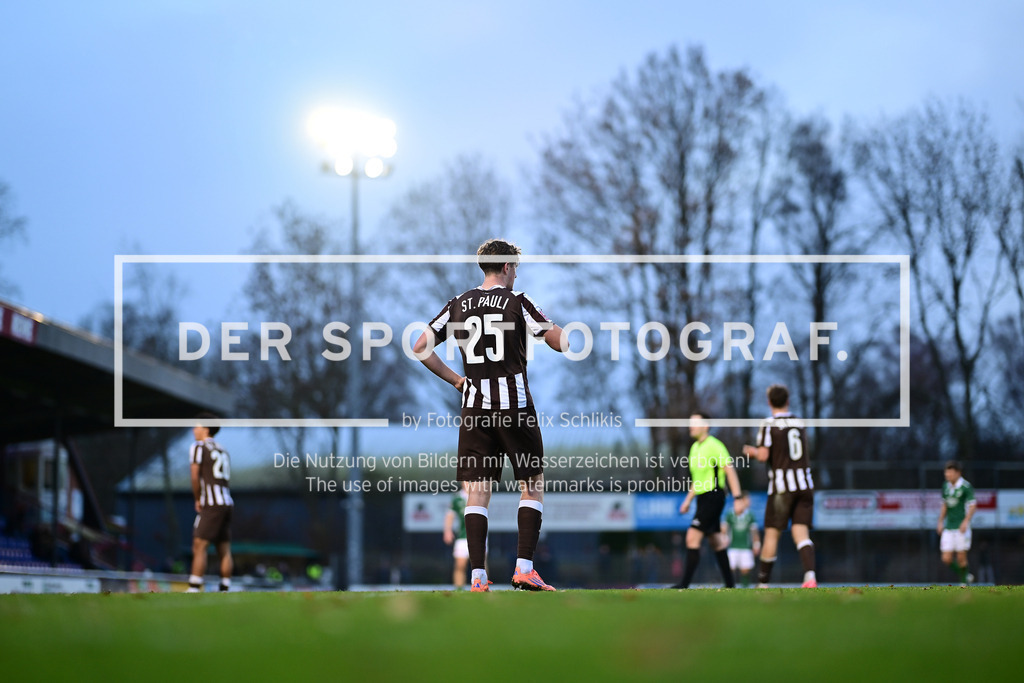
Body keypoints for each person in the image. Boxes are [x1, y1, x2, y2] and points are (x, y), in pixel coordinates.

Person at [413, 238, 566, 592]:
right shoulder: (517, 301)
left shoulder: (458, 303)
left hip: (474, 407)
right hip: (514, 406)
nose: (516, 276)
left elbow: (420, 346)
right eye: (516, 269)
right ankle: (524, 568)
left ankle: (478, 577)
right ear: (508, 267)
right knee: (532, 484)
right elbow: (558, 341)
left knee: (477, 491)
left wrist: (457, 381)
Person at [742, 384, 817, 588]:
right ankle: (810, 576)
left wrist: (751, 452)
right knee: (801, 534)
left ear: (769, 402)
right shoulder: (799, 423)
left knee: (772, 534)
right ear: (788, 401)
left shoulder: (769, 424)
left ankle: (763, 582)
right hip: (805, 485)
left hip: (781, 488)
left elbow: (763, 455)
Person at [672, 412, 742, 589]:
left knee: (692, 537)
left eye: (695, 423)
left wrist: (738, 497)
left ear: (706, 426)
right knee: (716, 541)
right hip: (703, 498)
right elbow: (698, 481)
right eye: (690, 423)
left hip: (714, 496)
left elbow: (729, 470)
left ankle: (683, 585)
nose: (691, 426)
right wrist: (688, 501)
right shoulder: (694, 448)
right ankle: (731, 585)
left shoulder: (715, 445)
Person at [187, 412, 233, 593]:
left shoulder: (198, 447)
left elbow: (194, 476)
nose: (194, 429)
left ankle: (194, 586)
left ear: (205, 429)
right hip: (227, 502)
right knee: (224, 547)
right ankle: (225, 586)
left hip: (211, 503)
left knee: (199, 544)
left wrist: (198, 498)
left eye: (197, 426)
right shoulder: (223, 449)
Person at [937, 460, 976, 586]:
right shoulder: (945, 486)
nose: (947, 475)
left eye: (950, 473)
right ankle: (965, 575)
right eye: (946, 473)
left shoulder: (965, 487)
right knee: (946, 558)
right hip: (949, 526)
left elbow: (973, 506)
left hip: (961, 527)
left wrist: (966, 521)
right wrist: (940, 521)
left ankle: (963, 584)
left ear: (958, 473)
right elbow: (944, 505)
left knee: (961, 558)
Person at [721, 491, 761, 588]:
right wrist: (724, 538)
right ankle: (727, 586)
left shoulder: (750, 515)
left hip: (746, 547)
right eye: (747, 499)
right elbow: (724, 527)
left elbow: (754, 531)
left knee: (745, 569)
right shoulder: (730, 514)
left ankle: (745, 587)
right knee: (729, 568)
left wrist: (756, 544)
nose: (749, 502)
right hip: (732, 547)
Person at [444, 482, 470, 589]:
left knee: (481, 565)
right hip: (463, 536)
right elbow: (450, 515)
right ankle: (459, 589)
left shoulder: (480, 495)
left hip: (479, 536)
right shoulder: (457, 498)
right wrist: (447, 531)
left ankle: (482, 587)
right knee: (460, 565)